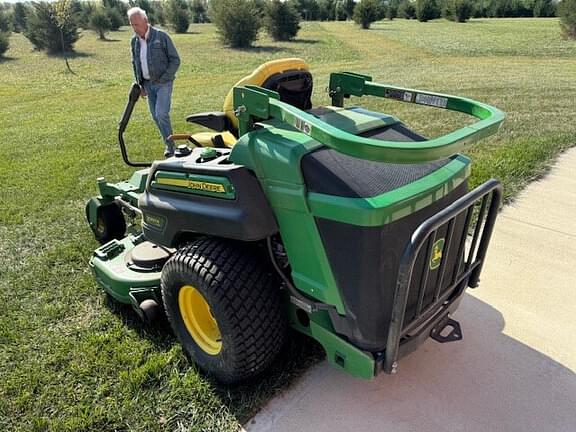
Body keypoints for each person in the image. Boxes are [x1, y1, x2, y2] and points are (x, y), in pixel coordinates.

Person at [127, 7, 181, 157]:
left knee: (161, 113)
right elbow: (135, 62)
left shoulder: (161, 36)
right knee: (155, 117)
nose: (134, 28)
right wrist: (140, 84)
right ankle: (169, 144)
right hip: (147, 85)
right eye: (132, 25)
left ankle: (171, 148)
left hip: (163, 83)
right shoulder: (134, 41)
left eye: (136, 24)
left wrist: (165, 78)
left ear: (145, 21)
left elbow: (175, 60)